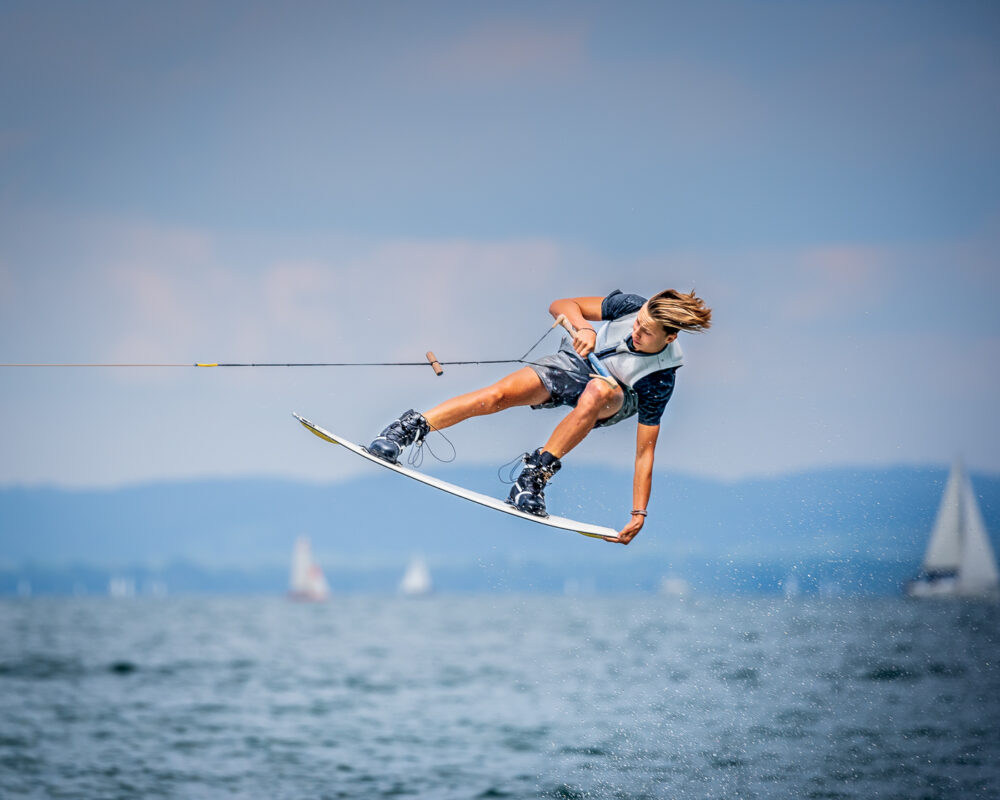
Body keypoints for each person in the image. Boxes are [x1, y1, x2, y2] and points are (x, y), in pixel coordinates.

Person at [368, 289, 712, 544]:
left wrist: (638, 513)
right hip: (575, 365)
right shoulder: (630, 307)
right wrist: (584, 328)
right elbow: (562, 305)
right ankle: (405, 431)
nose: (636, 332)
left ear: (670, 337)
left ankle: (534, 477)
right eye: (638, 324)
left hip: (613, 397)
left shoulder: (660, 378)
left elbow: (644, 452)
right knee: (496, 396)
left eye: (646, 332)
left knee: (599, 391)